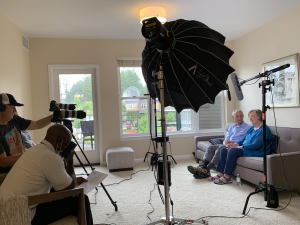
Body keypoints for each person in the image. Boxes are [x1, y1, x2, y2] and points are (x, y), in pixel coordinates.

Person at [0, 124, 94, 225]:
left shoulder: (34, 150)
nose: (66, 148)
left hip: (5, 206)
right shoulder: (51, 157)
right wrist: (70, 161)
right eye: (66, 144)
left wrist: (69, 179)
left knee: (55, 190)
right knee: (82, 199)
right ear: (59, 140)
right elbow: (69, 189)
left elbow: (49, 179)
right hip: (22, 212)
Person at [211, 109, 272, 185]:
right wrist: (234, 144)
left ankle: (227, 177)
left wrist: (238, 147)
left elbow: (255, 145)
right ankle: (220, 174)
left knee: (232, 151)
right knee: (224, 149)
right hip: (246, 148)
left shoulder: (264, 129)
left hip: (257, 151)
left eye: (252, 116)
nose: (250, 118)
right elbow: (242, 140)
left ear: (259, 117)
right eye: (249, 116)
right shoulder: (251, 129)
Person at [188, 109, 251, 179]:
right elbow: (225, 140)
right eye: (237, 116)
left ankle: (207, 169)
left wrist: (232, 143)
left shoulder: (248, 127)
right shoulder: (231, 127)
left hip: (235, 146)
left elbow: (245, 140)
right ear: (233, 117)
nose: (239, 118)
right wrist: (225, 142)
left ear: (243, 116)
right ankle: (202, 166)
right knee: (211, 148)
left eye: (241, 116)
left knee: (221, 148)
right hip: (227, 144)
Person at [0, 93, 53, 173]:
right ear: (1, 108)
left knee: (50, 163)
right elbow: (3, 162)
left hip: (23, 165)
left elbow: (37, 124)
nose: (14, 110)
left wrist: (54, 116)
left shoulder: (15, 120)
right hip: (9, 173)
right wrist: (28, 156)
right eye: (12, 107)